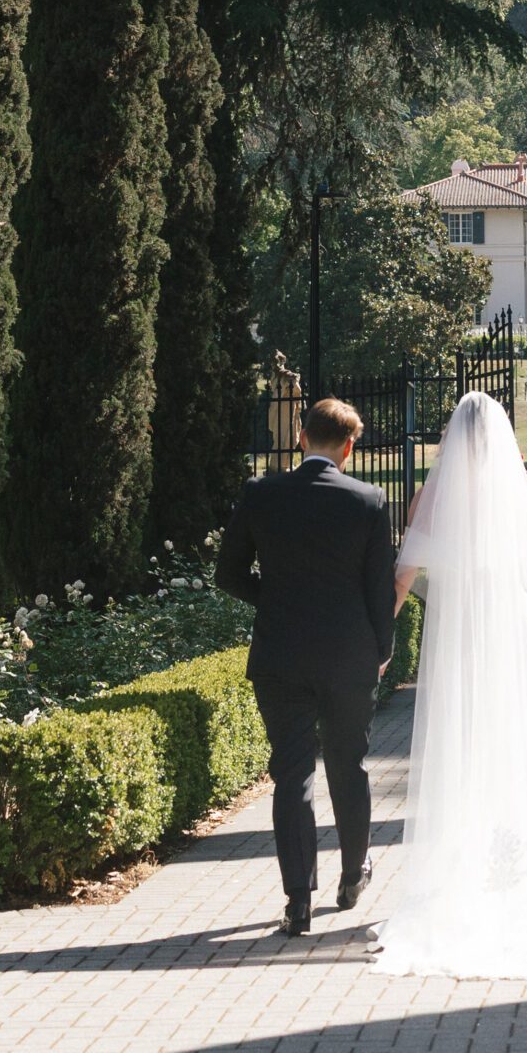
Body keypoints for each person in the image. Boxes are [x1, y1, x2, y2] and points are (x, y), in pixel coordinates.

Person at [370, 390, 527, 979]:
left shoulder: (429, 498)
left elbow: (402, 577)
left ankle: (457, 877)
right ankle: (508, 883)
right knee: (510, 747)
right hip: (509, 638)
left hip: (457, 642)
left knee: (457, 751)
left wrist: (379, 643)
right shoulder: (517, 496)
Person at [216, 395, 394, 937]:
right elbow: (379, 589)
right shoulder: (368, 500)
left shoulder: (261, 494)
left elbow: (227, 574)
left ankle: (297, 900)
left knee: (291, 774)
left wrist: (274, 600)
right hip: (348, 657)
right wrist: (382, 650)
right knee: (348, 765)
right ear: (349, 447)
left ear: (301, 438)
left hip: (281, 655)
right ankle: (352, 875)